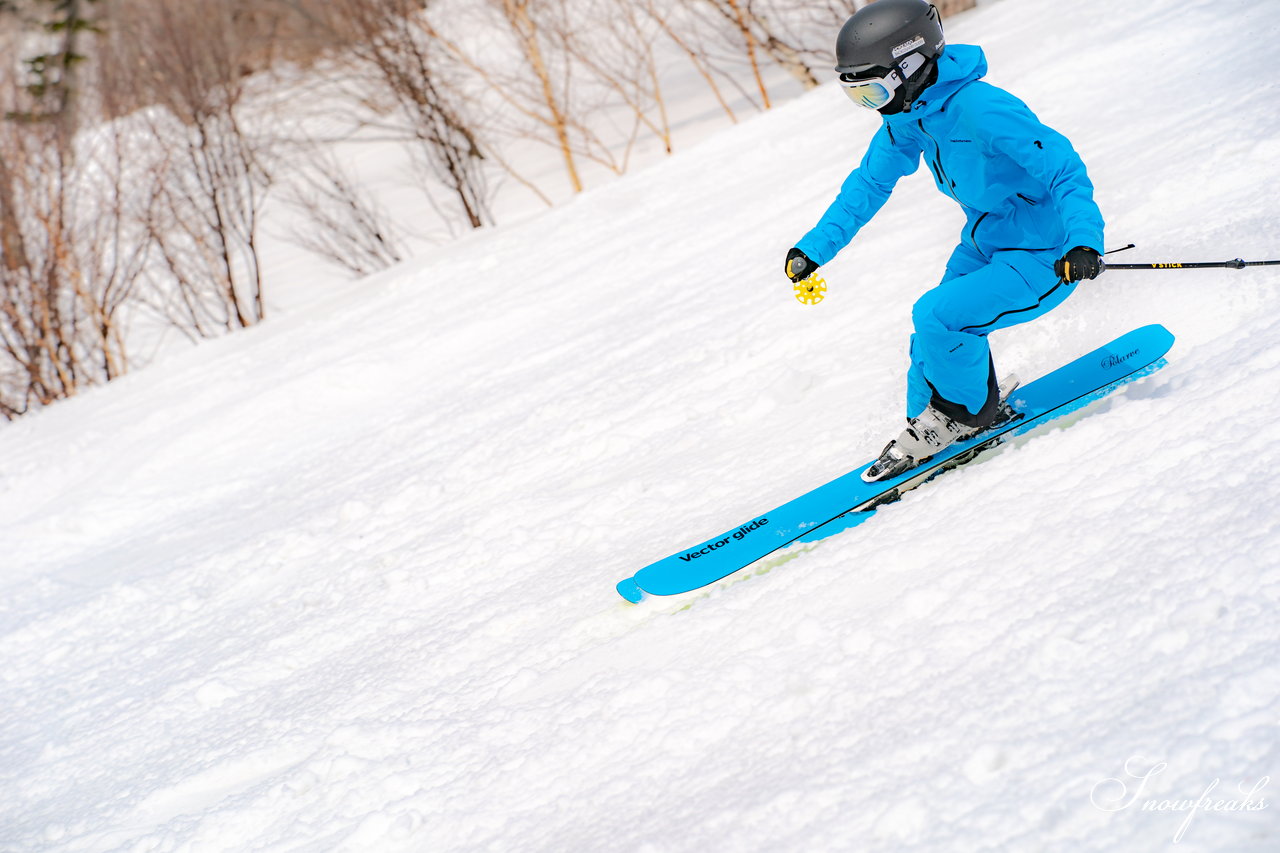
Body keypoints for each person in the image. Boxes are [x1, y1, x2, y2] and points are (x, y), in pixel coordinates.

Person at [785, 0, 1105, 482]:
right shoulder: (910, 115)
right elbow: (868, 185)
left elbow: (1063, 169)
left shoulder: (981, 109)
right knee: (930, 335)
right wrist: (814, 248)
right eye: (859, 98)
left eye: (872, 92)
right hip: (988, 242)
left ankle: (966, 418)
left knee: (938, 315)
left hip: (1048, 251)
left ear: (911, 65)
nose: (872, 107)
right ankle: (926, 426)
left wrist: (1083, 241)